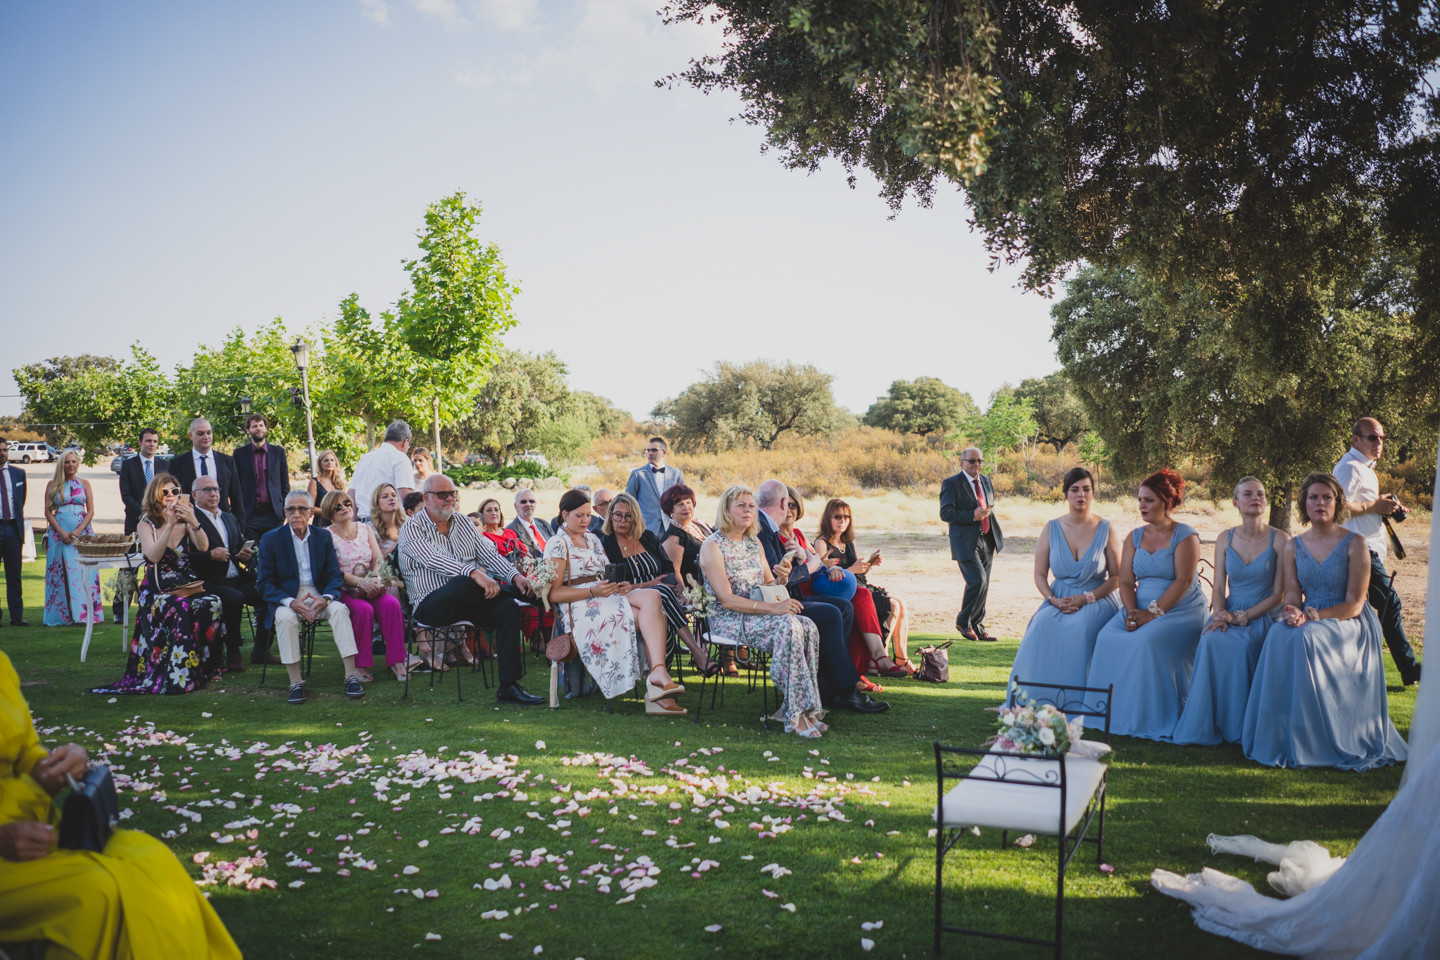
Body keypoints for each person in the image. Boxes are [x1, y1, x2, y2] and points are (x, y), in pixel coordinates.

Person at [0, 651, 243, 960]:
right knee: (95, 891)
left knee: (151, 858)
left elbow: (26, 751)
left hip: (39, 831)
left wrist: (65, 761)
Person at [1240, 472, 1407, 769]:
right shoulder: (1293, 546)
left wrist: (1315, 616)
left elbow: (1355, 604)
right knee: (1278, 634)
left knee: (1306, 637)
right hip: (1309, 617)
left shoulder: (1355, 543)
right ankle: (1284, 732)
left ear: (1337, 503)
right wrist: (1291, 611)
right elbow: (1293, 594)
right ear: (1304, 504)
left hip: (1349, 621)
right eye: (1313, 497)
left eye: (1327, 497)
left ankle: (1318, 738)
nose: (1320, 503)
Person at [397, 474, 544, 705]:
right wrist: (475, 573)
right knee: (463, 579)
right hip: (430, 606)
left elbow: (488, 555)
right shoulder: (411, 528)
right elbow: (434, 560)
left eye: (453, 493)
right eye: (442, 494)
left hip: (469, 602)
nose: (450, 498)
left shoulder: (463, 523)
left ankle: (509, 687)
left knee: (507, 608)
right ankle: (531, 595)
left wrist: (515, 576)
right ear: (426, 497)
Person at [1086, 468, 1208, 740]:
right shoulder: (1134, 536)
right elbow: (1125, 581)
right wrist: (1131, 612)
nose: (1142, 505)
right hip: (1138, 605)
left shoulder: (1186, 535)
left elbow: (1184, 581)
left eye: (1149, 500)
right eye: (1140, 500)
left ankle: (1149, 716)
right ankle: (1111, 714)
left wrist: (1152, 614)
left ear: (1166, 501)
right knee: (1106, 637)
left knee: (1145, 641)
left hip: (1181, 607)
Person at [700, 485, 827, 737]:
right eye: (741, 505)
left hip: (759, 614)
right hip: (729, 619)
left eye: (751, 506)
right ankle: (795, 715)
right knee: (788, 626)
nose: (748, 510)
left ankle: (803, 708)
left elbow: (769, 584)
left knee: (807, 625)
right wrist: (775, 608)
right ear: (726, 510)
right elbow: (726, 600)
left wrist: (782, 578)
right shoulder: (712, 546)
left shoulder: (753, 542)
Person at [545, 488, 686, 713]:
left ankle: (658, 672)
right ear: (564, 514)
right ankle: (657, 688)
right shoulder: (557, 543)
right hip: (580, 605)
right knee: (653, 615)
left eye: (588, 515)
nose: (585, 520)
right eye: (579, 515)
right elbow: (554, 594)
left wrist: (621, 585)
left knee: (653, 596)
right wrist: (593, 591)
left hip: (607, 595)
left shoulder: (592, 539)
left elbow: (605, 573)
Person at [1172, 477, 1289, 746]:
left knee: (1242, 646)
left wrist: (1241, 618)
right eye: (1248, 494)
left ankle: (1240, 726)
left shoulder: (1280, 539)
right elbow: (1217, 587)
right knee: (1211, 639)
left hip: (1264, 614)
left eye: (1260, 494)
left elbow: (1279, 595)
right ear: (1235, 502)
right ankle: (1211, 721)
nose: (1256, 498)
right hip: (1230, 609)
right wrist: (1220, 614)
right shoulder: (1225, 538)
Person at [755, 479, 886, 714]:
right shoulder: (764, 530)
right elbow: (778, 579)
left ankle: (829, 685)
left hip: (792, 593)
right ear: (782, 503)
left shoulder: (776, 529)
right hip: (780, 600)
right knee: (833, 612)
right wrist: (810, 565)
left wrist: (813, 562)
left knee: (845, 607)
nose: (790, 510)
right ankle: (846, 690)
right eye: (788, 504)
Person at [92, 474, 226, 695]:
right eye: (165, 492)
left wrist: (193, 521)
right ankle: (181, 671)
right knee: (180, 606)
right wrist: (169, 525)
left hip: (185, 582)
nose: (171, 496)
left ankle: (208, 667)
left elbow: (203, 547)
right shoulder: (146, 524)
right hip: (157, 586)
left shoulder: (186, 520)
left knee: (213, 602)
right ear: (155, 495)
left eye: (175, 491)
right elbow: (153, 556)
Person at [1003, 467, 1122, 700]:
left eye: (1086, 489)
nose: (1081, 495)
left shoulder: (1107, 529)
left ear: (1093, 493)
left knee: (1082, 627)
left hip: (1097, 598)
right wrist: (1053, 600)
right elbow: (1040, 574)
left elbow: (1117, 577)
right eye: (1075, 489)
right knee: (1041, 625)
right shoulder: (1051, 528)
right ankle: (1036, 700)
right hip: (1058, 598)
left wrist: (1086, 598)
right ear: (1066, 493)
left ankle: (1079, 702)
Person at [1333, 417, 1422, 685]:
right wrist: (1374, 506)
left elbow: (1361, 504)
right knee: (1389, 603)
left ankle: (1355, 667)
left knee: (1364, 609)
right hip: (1357, 550)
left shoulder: (1366, 469)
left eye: (1382, 438)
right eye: (1373, 437)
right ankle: (1410, 669)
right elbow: (1336, 508)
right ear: (1355, 439)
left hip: (1367, 548)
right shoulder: (1349, 468)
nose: (1379, 443)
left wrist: (1385, 506)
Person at [257, 490, 365, 705]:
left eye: (301, 509)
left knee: (340, 610)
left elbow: (334, 574)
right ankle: (295, 682)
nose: (296, 514)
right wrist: (290, 602)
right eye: (291, 509)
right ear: (284, 512)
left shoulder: (322, 536)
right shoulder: (271, 539)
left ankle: (351, 676)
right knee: (285, 618)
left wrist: (326, 598)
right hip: (287, 596)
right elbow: (264, 583)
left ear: (311, 513)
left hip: (319, 593)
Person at [601, 492, 715, 676]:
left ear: (635, 517)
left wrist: (670, 584)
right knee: (661, 592)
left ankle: (659, 675)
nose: (622, 520)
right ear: (610, 515)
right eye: (618, 515)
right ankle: (697, 653)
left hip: (661, 597)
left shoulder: (647, 537)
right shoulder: (605, 544)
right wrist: (649, 584)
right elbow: (616, 585)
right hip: (630, 598)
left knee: (663, 605)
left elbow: (668, 568)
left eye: (628, 516)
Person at [815, 497, 916, 682]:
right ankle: (881, 657)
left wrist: (869, 563)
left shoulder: (848, 542)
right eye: (837, 516)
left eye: (846, 517)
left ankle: (899, 658)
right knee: (893, 605)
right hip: (843, 592)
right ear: (828, 518)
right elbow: (823, 576)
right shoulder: (822, 543)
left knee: (901, 603)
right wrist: (853, 570)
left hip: (860, 585)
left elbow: (858, 570)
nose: (842, 521)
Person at [320, 491, 415, 682]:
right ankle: (360, 664)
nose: (344, 508)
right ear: (330, 512)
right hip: (345, 589)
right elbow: (332, 570)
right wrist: (359, 582)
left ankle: (397, 661)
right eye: (338, 506)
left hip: (371, 585)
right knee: (364, 610)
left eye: (347, 503)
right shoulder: (325, 535)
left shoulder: (364, 529)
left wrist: (376, 578)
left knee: (391, 604)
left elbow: (378, 559)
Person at [189, 474, 279, 672]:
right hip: (210, 581)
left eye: (216, 489)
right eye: (207, 490)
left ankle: (261, 649)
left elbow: (237, 547)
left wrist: (244, 555)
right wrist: (210, 555)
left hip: (237, 576)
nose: (213, 493)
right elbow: (185, 557)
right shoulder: (191, 519)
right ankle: (233, 651)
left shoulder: (228, 517)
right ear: (194, 494)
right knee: (234, 598)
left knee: (270, 592)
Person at [941, 446, 1005, 641]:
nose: (976, 464)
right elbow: (945, 513)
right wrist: (972, 515)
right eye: (972, 461)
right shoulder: (951, 483)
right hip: (965, 541)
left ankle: (977, 625)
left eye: (979, 461)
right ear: (962, 462)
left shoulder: (986, 481)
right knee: (978, 581)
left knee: (984, 586)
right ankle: (963, 622)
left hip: (987, 538)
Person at [477, 497, 553, 644]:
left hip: (524, 572)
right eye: (489, 510)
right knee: (525, 595)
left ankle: (550, 636)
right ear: (482, 515)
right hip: (503, 578)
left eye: (496, 509)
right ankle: (536, 638)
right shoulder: (484, 537)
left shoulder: (510, 532)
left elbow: (525, 554)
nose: (494, 513)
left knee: (543, 593)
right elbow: (492, 561)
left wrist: (526, 566)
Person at [42, 449, 103, 626]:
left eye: (73, 461)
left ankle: (85, 614)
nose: (71, 465)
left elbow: (90, 511)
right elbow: (47, 511)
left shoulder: (84, 484)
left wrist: (77, 531)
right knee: (58, 571)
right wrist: (61, 532)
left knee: (84, 571)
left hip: (82, 533)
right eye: (67, 462)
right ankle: (61, 615)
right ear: (62, 464)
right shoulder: (52, 484)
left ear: (78, 463)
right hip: (58, 533)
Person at [232, 412, 289, 542]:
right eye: (254, 426)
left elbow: (284, 483)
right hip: (250, 514)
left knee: (274, 550)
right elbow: (235, 485)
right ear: (248, 430)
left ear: (266, 428)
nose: (258, 428)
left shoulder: (278, 452)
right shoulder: (239, 454)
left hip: (274, 514)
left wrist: (284, 508)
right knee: (251, 551)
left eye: (261, 425)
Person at [169, 418, 241, 515]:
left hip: (221, 519)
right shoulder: (177, 464)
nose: (206, 437)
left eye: (209, 432)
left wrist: (239, 523)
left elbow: (236, 496)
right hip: (190, 520)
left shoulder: (227, 461)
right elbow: (173, 496)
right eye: (200, 433)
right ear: (191, 435)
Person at [349, 420, 416, 522]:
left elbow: (351, 494)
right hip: (389, 522)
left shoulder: (365, 458)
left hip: (364, 522)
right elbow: (406, 495)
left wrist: (353, 525)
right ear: (405, 442)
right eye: (409, 445)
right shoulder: (400, 458)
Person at [625, 437, 687, 532]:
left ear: (664, 453)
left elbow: (684, 502)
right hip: (646, 529)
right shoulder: (638, 474)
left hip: (671, 527)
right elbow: (628, 502)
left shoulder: (676, 474)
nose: (650, 453)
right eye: (648, 450)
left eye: (654, 450)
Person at [659, 483, 712, 586]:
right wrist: (684, 592)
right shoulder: (674, 537)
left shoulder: (699, 524)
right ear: (670, 510)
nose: (686, 507)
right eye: (680, 504)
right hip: (695, 588)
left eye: (688, 502)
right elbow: (674, 572)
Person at [118, 427, 168, 536]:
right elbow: (126, 495)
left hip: (161, 520)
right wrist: (144, 513)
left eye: (155, 441)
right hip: (135, 519)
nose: (152, 444)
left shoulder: (165, 465)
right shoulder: (128, 465)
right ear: (140, 442)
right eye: (148, 441)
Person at [0, 440, 24, 626]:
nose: (2, 453)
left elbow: (20, 500)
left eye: (4, 450)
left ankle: (16, 616)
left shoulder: (18, 473)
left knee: (14, 575)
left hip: (13, 528)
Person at [507, 487, 552, 558]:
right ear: (515, 506)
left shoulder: (544, 524)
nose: (528, 504)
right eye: (523, 502)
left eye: (531, 501)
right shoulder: (510, 531)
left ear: (536, 504)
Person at [307, 449, 347, 526]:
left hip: (339, 523)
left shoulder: (340, 482)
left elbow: (345, 503)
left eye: (332, 460)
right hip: (321, 524)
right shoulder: (314, 482)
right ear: (320, 464)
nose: (329, 462)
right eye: (326, 460)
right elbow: (310, 507)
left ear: (335, 463)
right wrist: (329, 512)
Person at [368, 482, 404, 559]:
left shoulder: (406, 523)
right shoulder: (371, 529)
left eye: (394, 495)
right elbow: (378, 561)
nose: (391, 498)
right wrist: (398, 544)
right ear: (377, 504)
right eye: (385, 497)